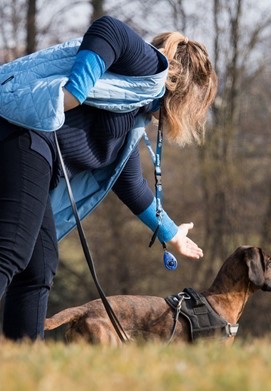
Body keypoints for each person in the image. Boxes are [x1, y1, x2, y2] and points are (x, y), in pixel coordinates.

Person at [0, 16, 217, 341]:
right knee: (13, 250)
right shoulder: (150, 68)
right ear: (189, 91)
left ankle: (21, 362)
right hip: (25, 137)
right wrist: (74, 92)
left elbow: (131, 185)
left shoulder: (130, 113)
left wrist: (172, 235)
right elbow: (109, 29)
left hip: (32, 151)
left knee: (39, 266)